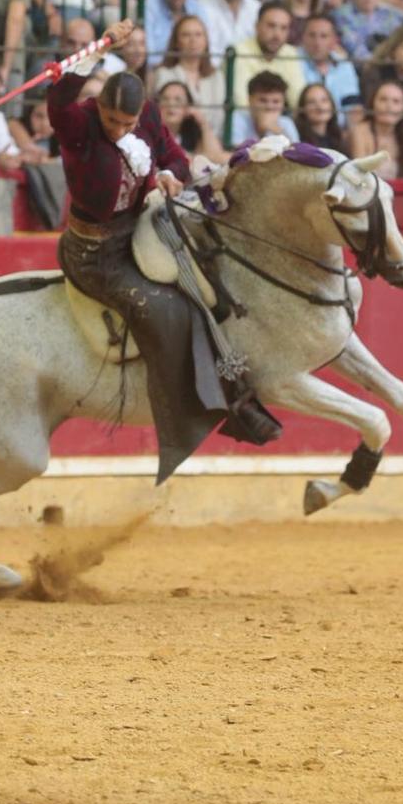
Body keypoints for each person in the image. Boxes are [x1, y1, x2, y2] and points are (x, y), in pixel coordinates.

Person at [51, 24, 278, 478]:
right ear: (100, 108)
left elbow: (173, 155)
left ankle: (234, 387)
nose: (119, 130)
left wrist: (171, 175)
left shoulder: (149, 117)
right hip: (94, 251)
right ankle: (185, 407)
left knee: (210, 275)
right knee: (164, 309)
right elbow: (59, 97)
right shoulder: (80, 122)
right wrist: (97, 51)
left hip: (139, 226)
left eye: (127, 124)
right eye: (112, 121)